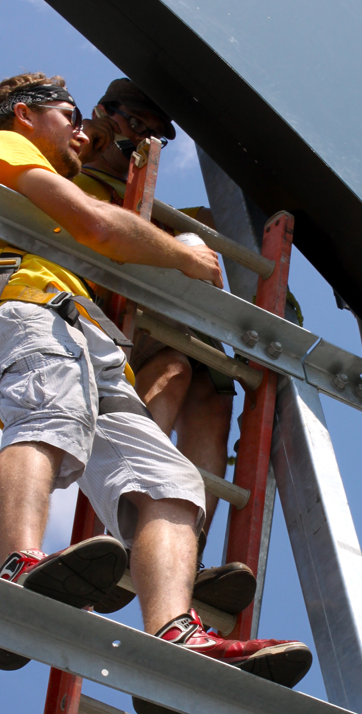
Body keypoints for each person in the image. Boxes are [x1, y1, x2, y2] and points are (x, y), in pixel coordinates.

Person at [0, 71, 311, 707]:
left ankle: (175, 632)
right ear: (25, 116)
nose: (81, 130)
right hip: (26, 304)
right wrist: (183, 257)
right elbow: (100, 228)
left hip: (88, 328)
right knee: (49, 420)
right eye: (70, 115)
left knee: (170, 483)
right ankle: (19, 566)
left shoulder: (78, 165)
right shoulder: (5, 147)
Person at [74, 78, 252, 615]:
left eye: (155, 135)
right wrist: (99, 139)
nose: (143, 141)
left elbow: (192, 235)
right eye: (136, 125)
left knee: (213, 397)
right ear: (105, 113)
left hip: (160, 319)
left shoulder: (149, 202)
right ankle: (136, 522)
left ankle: (184, 553)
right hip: (103, 316)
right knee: (172, 368)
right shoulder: (72, 162)